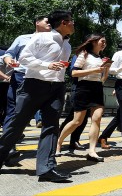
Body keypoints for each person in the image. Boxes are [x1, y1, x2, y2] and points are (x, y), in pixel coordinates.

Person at [0, 10, 74, 182]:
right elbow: (24, 58)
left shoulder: (67, 45)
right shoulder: (42, 37)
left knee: (51, 127)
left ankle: (46, 168)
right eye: (71, 21)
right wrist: (47, 65)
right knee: (16, 125)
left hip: (57, 88)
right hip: (34, 85)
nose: (73, 24)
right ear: (63, 23)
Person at [2, 16, 51, 160]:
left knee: (33, 115)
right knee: (13, 113)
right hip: (20, 77)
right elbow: (8, 53)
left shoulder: (53, 41)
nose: (49, 24)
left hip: (42, 79)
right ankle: (8, 148)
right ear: (37, 22)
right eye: (46, 21)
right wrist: (9, 60)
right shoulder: (23, 38)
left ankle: (47, 152)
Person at [56, 33, 110, 162]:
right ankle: (58, 143)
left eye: (105, 41)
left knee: (97, 119)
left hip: (97, 88)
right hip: (83, 88)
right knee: (77, 121)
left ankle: (92, 151)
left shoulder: (101, 58)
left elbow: (103, 79)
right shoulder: (84, 54)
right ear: (93, 42)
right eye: (102, 41)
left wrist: (106, 68)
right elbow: (74, 73)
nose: (104, 43)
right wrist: (94, 70)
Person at [59, 53, 89, 153]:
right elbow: (73, 72)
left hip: (89, 90)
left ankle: (74, 140)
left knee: (83, 118)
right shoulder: (80, 55)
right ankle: (58, 138)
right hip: (78, 88)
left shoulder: (98, 56)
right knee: (72, 117)